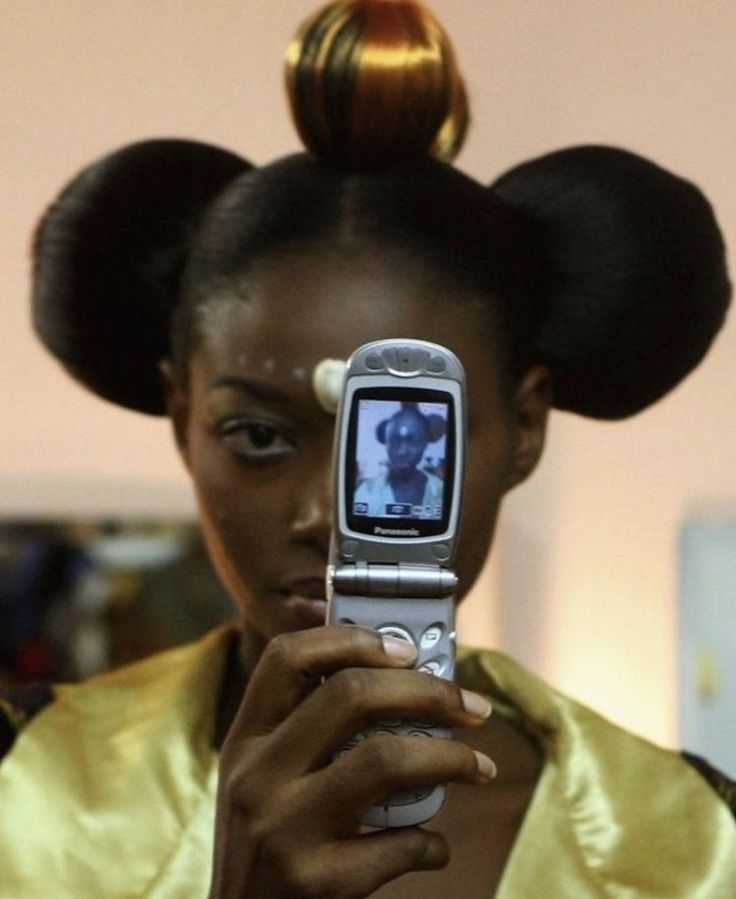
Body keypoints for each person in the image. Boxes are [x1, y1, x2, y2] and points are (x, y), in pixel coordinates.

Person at [1, 1, 735, 895]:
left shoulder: (693, 847)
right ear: (178, 414)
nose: (324, 512)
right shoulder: (22, 789)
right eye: (260, 436)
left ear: (525, 429)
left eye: (406, 441)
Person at [354, 403, 446, 518]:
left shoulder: (440, 491)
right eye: (394, 440)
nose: (402, 451)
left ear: (425, 444)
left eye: (413, 441)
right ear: (386, 443)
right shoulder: (366, 492)